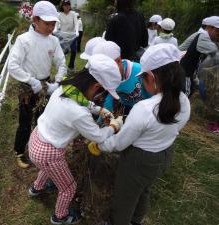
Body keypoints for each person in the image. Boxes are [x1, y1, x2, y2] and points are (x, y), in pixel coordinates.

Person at [89, 43, 191, 225]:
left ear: (152, 77)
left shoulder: (144, 109)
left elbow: (119, 143)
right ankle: (137, 220)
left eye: (143, 77)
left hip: (139, 160)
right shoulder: (183, 101)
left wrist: (99, 144)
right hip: (164, 153)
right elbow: (175, 129)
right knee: (144, 188)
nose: (142, 81)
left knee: (125, 196)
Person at [28, 54, 123, 225]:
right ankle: (60, 216)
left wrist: (100, 110)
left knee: (46, 168)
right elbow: (98, 136)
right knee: (68, 187)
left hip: (37, 139)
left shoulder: (65, 88)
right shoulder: (78, 114)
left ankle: (37, 187)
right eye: (102, 94)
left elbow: (83, 102)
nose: (101, 98)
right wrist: (113, 126)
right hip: (49, 153)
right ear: (96, 86)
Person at [8, 1, 67, 168]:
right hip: (28, 86)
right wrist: (31, 80)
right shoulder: (24, 40)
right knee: (25, 120)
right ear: (35, 19)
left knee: (44, 117)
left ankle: (38, 148)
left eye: (53, 24)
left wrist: (57, 81)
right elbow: (12, 65)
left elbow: (61, 63)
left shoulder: (53, 41)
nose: (51, 27)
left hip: (46, 84)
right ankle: (19, 151)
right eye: (47, 23)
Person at [92, 41, 151, 116]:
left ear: (118, 60)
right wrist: (104, 117)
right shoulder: (107, 76)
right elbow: (111, 96)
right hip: (128, 108)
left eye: (108, 69)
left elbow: (153, 97)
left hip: (147, 110)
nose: (106, 74)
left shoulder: (139, 71)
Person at [180, 16, 219, 97]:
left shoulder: (201, 35)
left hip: (184, 70)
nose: (218, 33)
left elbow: (197, 60)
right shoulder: (203, 37)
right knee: (184, 97)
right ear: (209, 27)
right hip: (184, 72)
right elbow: (214, 52)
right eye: (217, 30)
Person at [57, 0, 79, 69]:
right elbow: (56, 24)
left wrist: (77, 31)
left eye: (68, 5)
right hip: (63, 36)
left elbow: (76, 23)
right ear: (62, 6)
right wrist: (55, 29)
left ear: (70, 6)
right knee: (62, 52)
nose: (67, 7)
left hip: (72, 35)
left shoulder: (73, 14)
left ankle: (71, 66)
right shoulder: (59, 14)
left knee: (74, 51)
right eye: (65, 5)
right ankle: (62, 66)